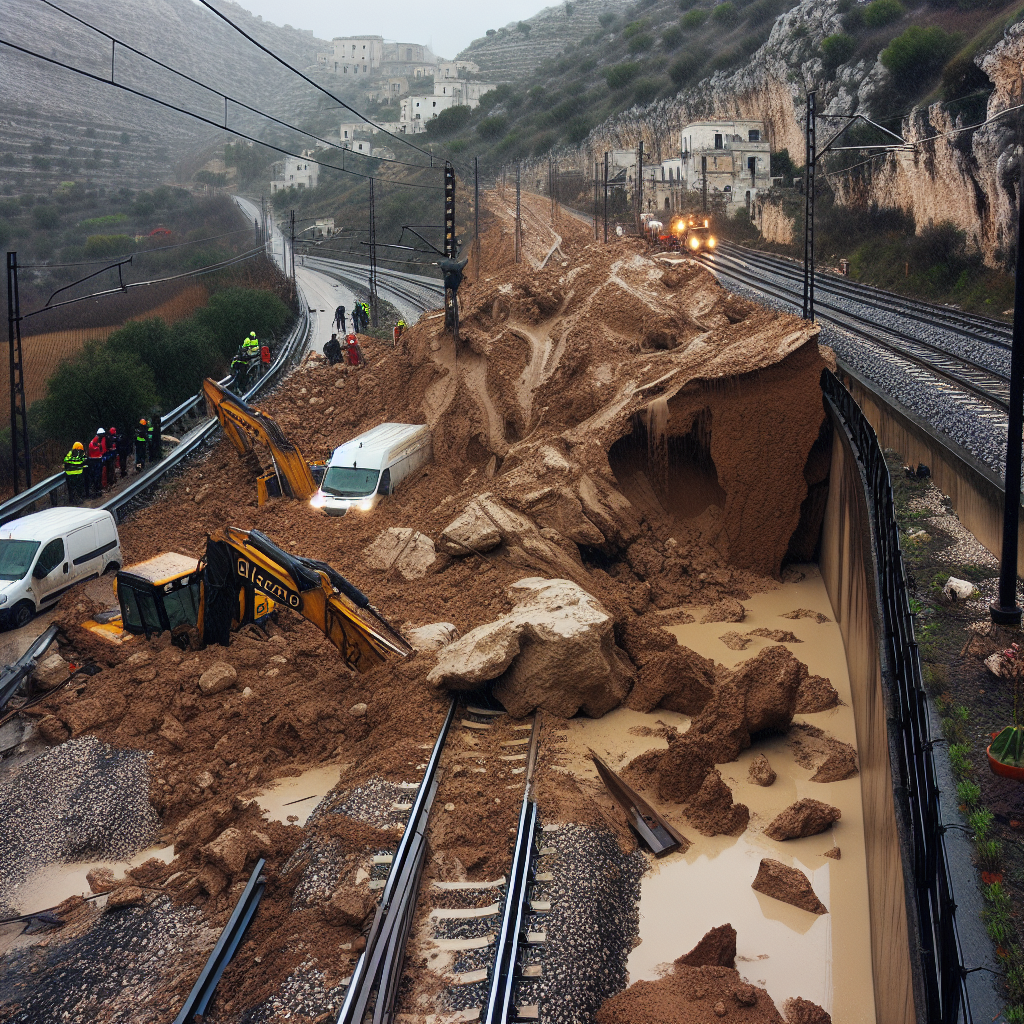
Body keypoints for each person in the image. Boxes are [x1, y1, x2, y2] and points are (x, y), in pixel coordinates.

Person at [87, 428, 106, 497]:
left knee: (96, 476)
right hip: (96, 461)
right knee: (97, 476)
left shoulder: (94, 441)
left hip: (94, 461)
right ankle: (97, 491)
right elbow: (98, 450)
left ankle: (97, 491)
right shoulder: (94, 442)